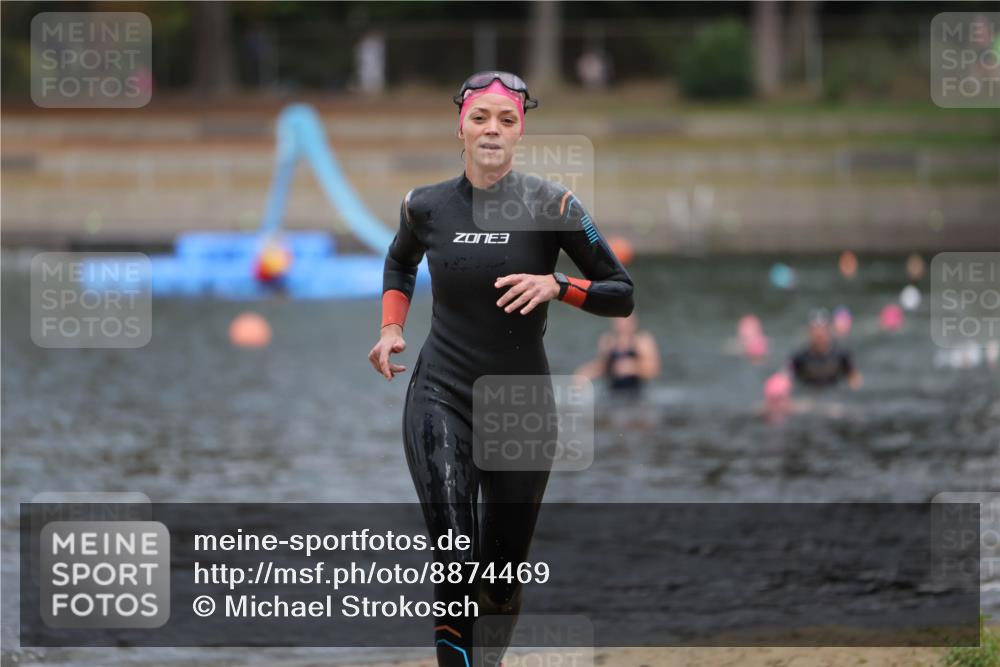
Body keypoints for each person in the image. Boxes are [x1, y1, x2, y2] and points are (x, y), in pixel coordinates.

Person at [367, 71, 634, 667]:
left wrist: (558, 283)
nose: (492, 130)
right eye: (481, 118)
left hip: (521, 405)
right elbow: (398, 262)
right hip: (441, 393)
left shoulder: (554, 205)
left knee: (501, 573)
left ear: (521, 132)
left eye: (506, 120)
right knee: (456, 558)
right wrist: (390, 329)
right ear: (459, 126)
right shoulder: (424, 206)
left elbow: (622, 292)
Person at [573, 312, 660, 395]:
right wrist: (585, 374)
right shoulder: (608, 341)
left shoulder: (642, 341)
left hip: (637, 393)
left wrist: (633, 368)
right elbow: (603, 367)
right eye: (619, 319)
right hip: (612, 393)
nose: (623, 323)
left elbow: (653, 370)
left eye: (626, 319)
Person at [790, 315, 862, 389]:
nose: (819, 335)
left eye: (822, 331)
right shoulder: (800, 357)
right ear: (809, 333)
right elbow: (789, 377)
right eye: (815, 331)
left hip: (835, 392)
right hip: (809, 393)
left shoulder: (841, 354)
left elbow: (854, 377)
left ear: (828, 332)